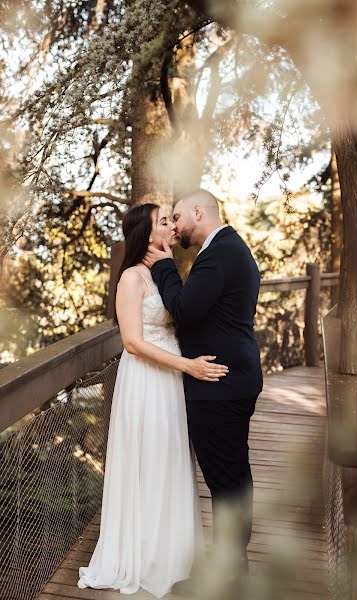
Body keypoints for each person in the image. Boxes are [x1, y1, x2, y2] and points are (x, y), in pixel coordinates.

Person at [78, 202, 228, 597]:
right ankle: (142, 556)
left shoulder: (162, 273)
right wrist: (188, 365)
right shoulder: (131, 278)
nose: (172, 226)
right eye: (164, 222)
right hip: (146, 380)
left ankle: (174, 555)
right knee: (147, 460)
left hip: (171, 382)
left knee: (170, 459)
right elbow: (132, 342)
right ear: (146, 235)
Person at [143, 189, 263, 571]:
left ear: (198, 211)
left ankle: (229, 571)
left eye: (177, 218)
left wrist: (162, 264)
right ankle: (234, 561)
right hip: (232, 378)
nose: (175, 227)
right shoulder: (229, 248)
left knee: (225, 480)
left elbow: (184, 309)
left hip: (218, 383)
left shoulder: (219, 253)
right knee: (233, 475)